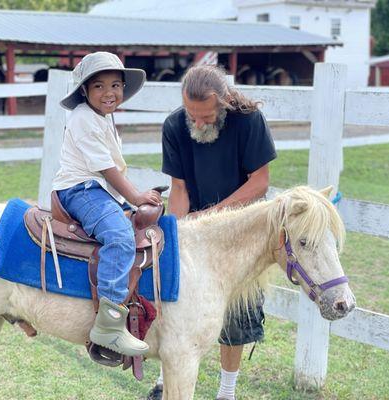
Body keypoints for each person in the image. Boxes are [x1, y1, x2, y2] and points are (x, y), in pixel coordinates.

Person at [147, 65, 276, 400]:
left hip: (242, 231)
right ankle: (165, 381)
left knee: (235, 317)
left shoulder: (249, 122)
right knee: (174, 302)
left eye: (205, 116)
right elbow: (179, 187)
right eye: (192, 114)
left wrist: (211, 217)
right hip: (193, 227)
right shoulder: (175, 125)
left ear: (224, 102)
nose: (198, 122)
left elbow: (259, 183)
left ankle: (226, 392)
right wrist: (175, 234)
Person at [53, 52, 162, 357]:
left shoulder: (102, 117)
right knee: (119, 236)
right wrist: (136, 197)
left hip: (96, 190)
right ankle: (109, 325)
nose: (109, 93)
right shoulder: (82, 118)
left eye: (115, 85)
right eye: (98, 86)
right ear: (84, 91)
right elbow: (106, 169)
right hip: (81, 190)